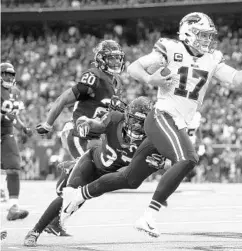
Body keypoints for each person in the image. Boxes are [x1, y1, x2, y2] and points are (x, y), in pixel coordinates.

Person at [126, 12, 242, 237]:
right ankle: (148, 216)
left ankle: (78, 195)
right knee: (187, 159)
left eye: (209, 36)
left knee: (129, 178)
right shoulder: (170, 48)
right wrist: (148, 79)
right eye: (202, 35)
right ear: (188, 32)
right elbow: (134, 67)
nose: (207, 40)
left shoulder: (212, 58)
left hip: (177, 122)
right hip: (162, 115)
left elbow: (237, 80)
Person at [24, 96, 164, 247]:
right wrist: (85, 123)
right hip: (91, 162)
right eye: (134, 120)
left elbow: (134, 173)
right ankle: (34, 231)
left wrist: (160, 163)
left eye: (141, 123)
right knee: (68, 197)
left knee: (78, 201)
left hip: (106, 177)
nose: (136, 126)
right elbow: (94, 124)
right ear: (127, 115)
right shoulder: (115, 119)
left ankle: (56, 223)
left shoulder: (150, 141)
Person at [35, 40, 125, 236]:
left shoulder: (115, 82)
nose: (116, 61)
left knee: (90, 180)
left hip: (94, 137)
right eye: (111, 57)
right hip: (78, 133)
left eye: (118, 57)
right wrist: (48, 124)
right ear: (101, 59)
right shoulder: (93, 77)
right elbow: (63, 99)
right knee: (82, 181)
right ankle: (57, 204)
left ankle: (57, 217)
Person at [1, 62, 32, 222]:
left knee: (13, 167)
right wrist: (3, 117)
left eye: (11, 74)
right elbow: (7, 115)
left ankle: (13, 207)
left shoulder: (16, 92)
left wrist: (23, 128)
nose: (9, 77)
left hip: (6, 133)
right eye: (6, 73)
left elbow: (15, 116)